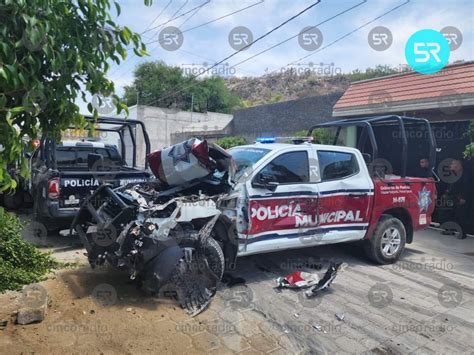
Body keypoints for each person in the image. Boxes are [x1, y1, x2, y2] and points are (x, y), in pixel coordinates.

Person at [442, 159, 470, 238]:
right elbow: (451, 186)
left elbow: (466, 187)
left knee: (460, 216)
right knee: (449, 214)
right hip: (452, 197)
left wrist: (463, 198)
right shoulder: (454, 174)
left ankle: (463, 233)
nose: (451, 165)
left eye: (453, 164)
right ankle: (449, 230)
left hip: (460, 198)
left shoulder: (464, 175)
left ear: (458, 166)